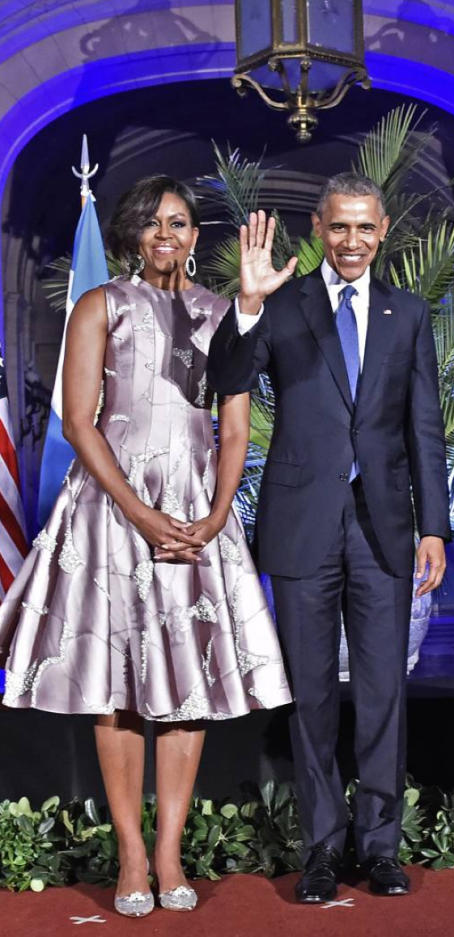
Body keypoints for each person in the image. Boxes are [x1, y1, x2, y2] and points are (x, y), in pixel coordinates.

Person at [0, 175, 292, 917]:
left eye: (181, 222)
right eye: (155, 223)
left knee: (187, 691)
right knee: (121, 688)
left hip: (199, 510)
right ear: (133, 236)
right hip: (116, 510)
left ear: (196, 237)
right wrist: (138, 513)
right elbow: (78, 420)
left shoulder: (225, 312)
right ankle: (130, 850)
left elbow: (234, 425)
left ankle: (170, 850)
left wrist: (218, 512)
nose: (168, 234)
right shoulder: (101, 305)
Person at [207, 172, 450, 902]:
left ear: (383, 232)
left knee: (382, 694)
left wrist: (435, 526)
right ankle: (320, 848)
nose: (351, 241)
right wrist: (247, 303)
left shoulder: (409, 313)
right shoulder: (281, 306)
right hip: (302, 526)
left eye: (364, 227)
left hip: (386, 530)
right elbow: (226, 375)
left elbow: (426, 431)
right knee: (310, 696)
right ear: (319, 229)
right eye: (338, 227)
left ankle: (380, 847)